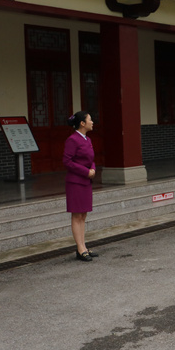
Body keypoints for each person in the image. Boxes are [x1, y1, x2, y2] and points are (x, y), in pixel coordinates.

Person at [63, 111, 97, 262]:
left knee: (83, 215)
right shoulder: (72, 140)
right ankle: (80, 248)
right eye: (90, 120)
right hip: (75, 183)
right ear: (82, 123)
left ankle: (83, 247)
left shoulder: (87, 139)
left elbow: (91, 159)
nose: (92, 122)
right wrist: (85, 172)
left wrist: (93, 169)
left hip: (85, 182)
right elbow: (67, 161)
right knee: (77, 215)